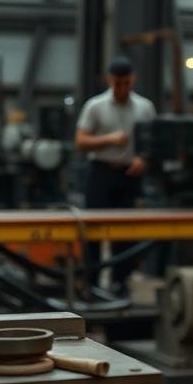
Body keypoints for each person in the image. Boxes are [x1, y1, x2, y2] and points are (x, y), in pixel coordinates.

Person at [75, 56, 156, 288]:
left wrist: (144, 160)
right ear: (110, 80)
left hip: (130, 175)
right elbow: (80, 141)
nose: (122, 88)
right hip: (101, 173)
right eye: (118, 83)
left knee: (125, 232)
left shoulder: (145, 108)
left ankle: (121, 284)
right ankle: (91, 284)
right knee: (93, 231)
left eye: (126, 83)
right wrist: (109, 139)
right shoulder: (95, 106)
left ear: (133, 80)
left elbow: (153, 142)